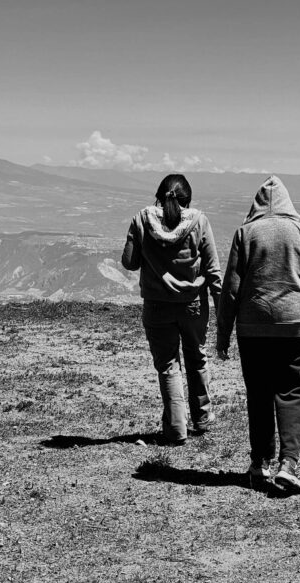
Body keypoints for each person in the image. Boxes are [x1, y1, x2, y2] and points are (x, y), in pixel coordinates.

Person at [217, 175, 300, 494]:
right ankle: (288, 464)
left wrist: (223, 335)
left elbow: (231, 290)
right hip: (298, 326)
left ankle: (259, 463)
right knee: (295, 389)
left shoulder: (245, 233)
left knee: (259, 392)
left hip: (253, 328)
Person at [122, 174, 221, 445]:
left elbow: (130, 262)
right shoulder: (199, 221)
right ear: (188, 199)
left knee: (168, 366)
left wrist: (139, 240)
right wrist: (223, 309)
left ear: (159, 196)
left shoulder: (142, 220)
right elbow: (213, 269)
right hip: (193, 304)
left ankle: (176, 428)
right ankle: (202, 418)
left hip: (157, 305)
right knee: (196, 358)